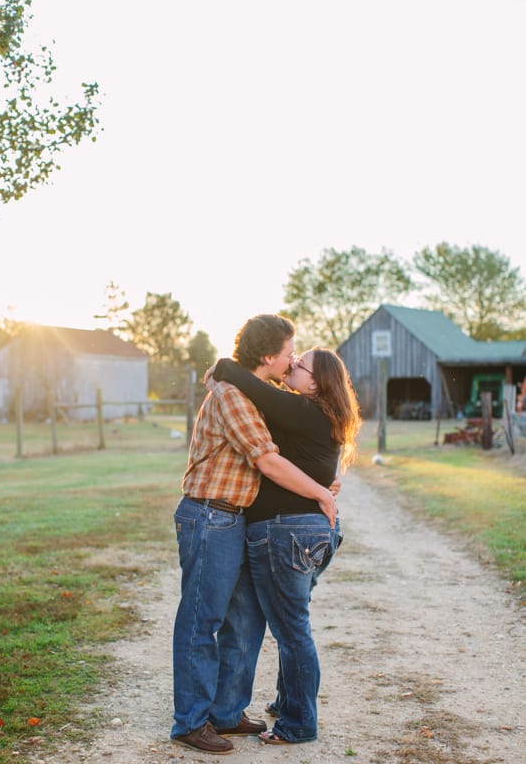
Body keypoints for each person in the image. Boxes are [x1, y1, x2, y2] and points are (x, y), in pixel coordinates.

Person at [170, 315, 337, 755]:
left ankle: (226, 712)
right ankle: (190, 721)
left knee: (244, 621)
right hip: (211, 515)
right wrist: (321, 492)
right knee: (202, 619)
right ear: (269, 356)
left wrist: (321, 480)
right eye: (289, 351)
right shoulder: (232, 397)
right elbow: (266, 460)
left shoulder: (253, 394)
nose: (292, 359)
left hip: (235, 518)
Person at [212, 345, 361, 744]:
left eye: (301, 363)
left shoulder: (305, 410)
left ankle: (298, 723)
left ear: (317, 381)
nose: (292, 365)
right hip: (311, 531)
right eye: (292, 359)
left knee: (292, 630)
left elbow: (241, 378)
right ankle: (286, 701)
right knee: (293, 622)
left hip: (284, 531)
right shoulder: (321, 415)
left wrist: (224, 365)